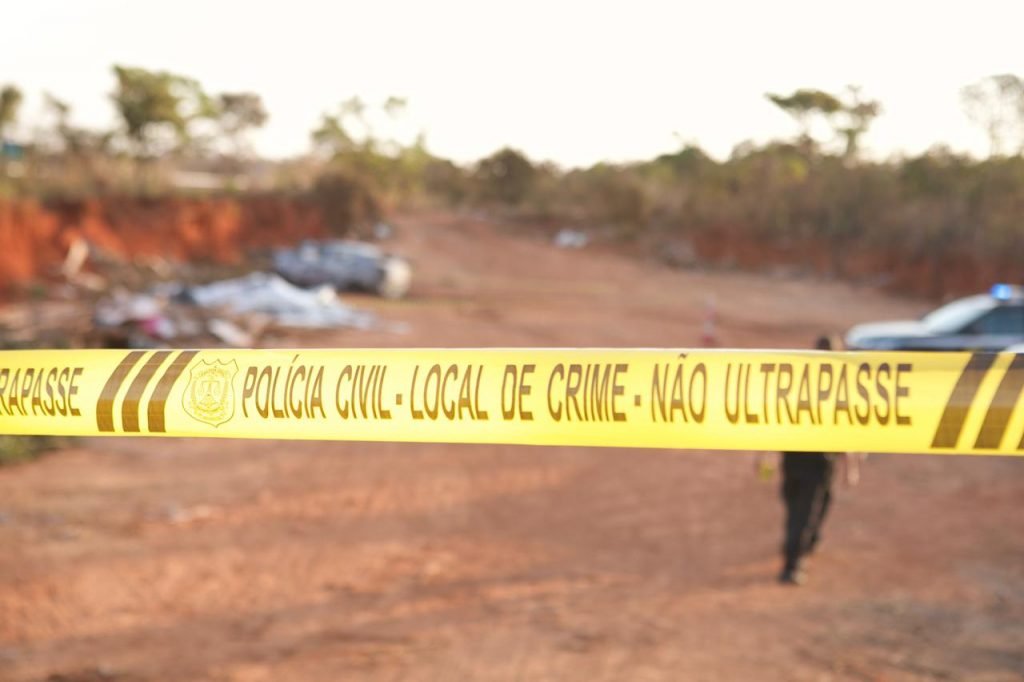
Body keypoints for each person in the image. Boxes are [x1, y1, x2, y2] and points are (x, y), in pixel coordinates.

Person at [762, 335, 861, 586]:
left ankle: (804, 544)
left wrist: (765, 456)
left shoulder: (797, 385)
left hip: (794, 461)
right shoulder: (840, 391)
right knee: (803, 516)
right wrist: (850, 468)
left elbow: (776, 421)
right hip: (816, 466)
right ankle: (792, 566)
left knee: (800, 510)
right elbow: (844, 432)